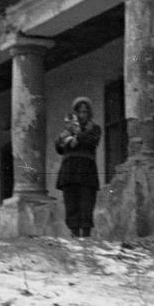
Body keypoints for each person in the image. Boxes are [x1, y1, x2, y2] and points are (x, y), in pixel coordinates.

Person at [54, 96, 102, 238]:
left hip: (87, 170)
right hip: (69, 171)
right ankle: (74, 234)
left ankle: (86, 236)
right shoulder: (67, 130)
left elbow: (92, 141)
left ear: (89, 113)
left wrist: (77, 135)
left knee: (87, 203)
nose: (82, 115)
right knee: (71, 203)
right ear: (75, 113)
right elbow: (58, 146)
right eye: (79, 112)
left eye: (85, 112)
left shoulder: (95, 129)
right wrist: (67, 135)